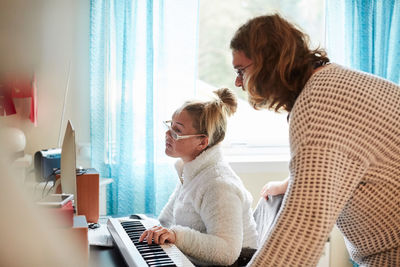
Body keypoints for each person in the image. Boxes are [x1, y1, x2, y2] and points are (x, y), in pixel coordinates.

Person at [230, 14, 400, 267]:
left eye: (241, 71)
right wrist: (291, 183)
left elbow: (301, 232)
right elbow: (349, 154)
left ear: (269, 63)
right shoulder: (332, 81)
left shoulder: (317, 105)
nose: (237, 82)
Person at [139, 88, 258, 266]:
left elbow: (227, 252)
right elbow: (166, 222)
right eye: (169, 126)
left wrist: (176, 236)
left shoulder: (219, 185)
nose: (167, 135)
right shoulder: (191, 172)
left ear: (202, 142)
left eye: (176, 131)